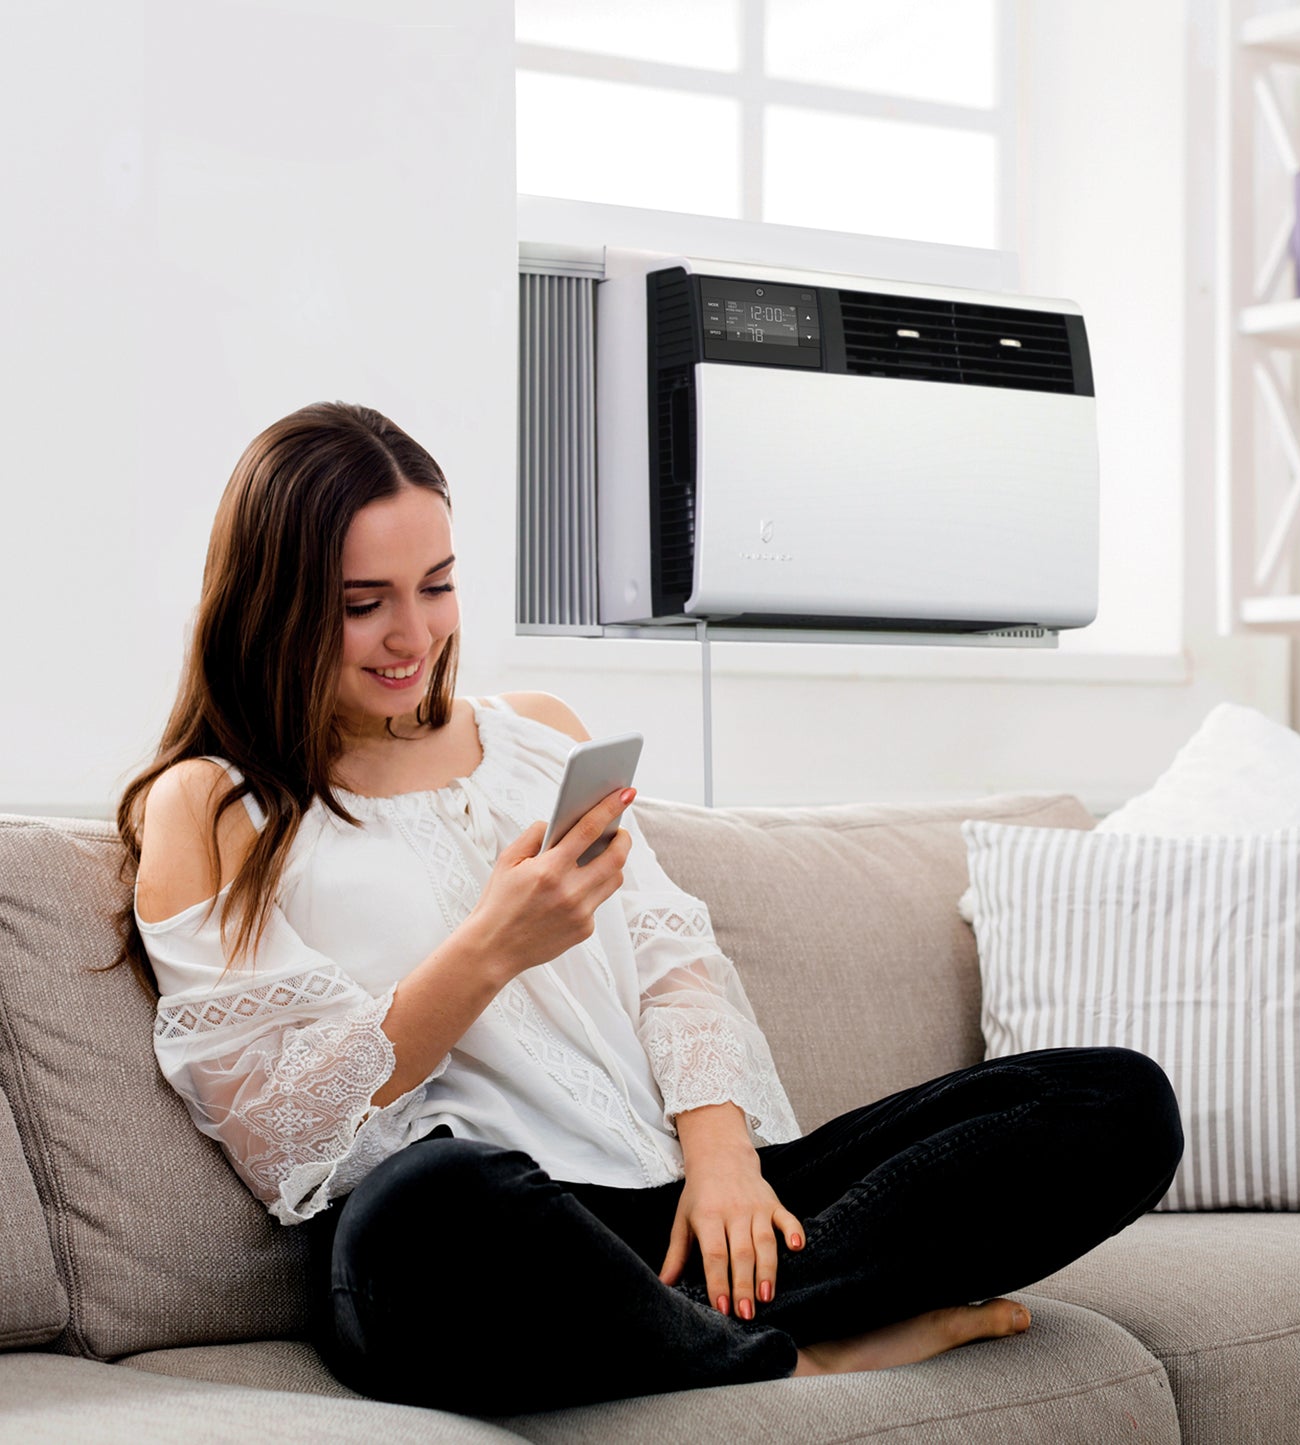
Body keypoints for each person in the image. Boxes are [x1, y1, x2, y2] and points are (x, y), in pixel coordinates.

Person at [114, 401, 1183, 1416]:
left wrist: (721, 1159)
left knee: (1112, 1101)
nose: (412, 634)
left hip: (673, 1200)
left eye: (435, 586)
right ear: (274, 598)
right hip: (497, 1232)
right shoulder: (211, 804)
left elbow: (673, 956)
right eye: (362, 604)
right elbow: (276, 1126)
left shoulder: (534, 730)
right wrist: (488, 948)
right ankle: (796, 1351)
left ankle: (691, 1323)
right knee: (418, 1213)